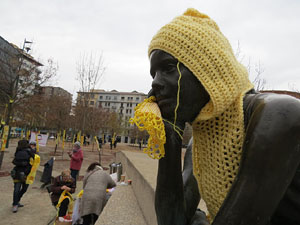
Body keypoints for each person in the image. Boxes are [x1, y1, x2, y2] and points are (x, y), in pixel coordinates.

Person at [146, 8, 300, 225]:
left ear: (207, 69)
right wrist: (169, 135)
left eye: (169, 68)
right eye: (154, 74)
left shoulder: (279, 115)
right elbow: (172, 220)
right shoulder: (198, 145)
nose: (155, 83)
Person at [11, 139, 35, 213]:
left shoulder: (21, 151)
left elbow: (14, 161)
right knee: (22, 189)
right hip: (24, 173)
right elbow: (34, 160)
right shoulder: (27, 151)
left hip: (19, 173)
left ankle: (16, 202)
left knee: (18, 189)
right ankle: (15, 203)